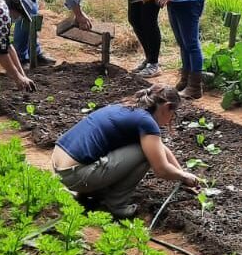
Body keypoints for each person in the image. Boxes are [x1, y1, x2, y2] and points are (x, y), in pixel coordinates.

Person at [51, 85, 201, 219]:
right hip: (75, 175)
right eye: (173, 114)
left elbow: (160, 147)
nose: (171, 119)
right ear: (168, 106)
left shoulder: (127, 109)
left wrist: (183, 176)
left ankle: (91, 194)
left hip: (60, 167)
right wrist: (182, 175)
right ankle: (117, 204)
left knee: (146, 149)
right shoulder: (146, 122)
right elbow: (161, 169)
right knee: (145, 154)